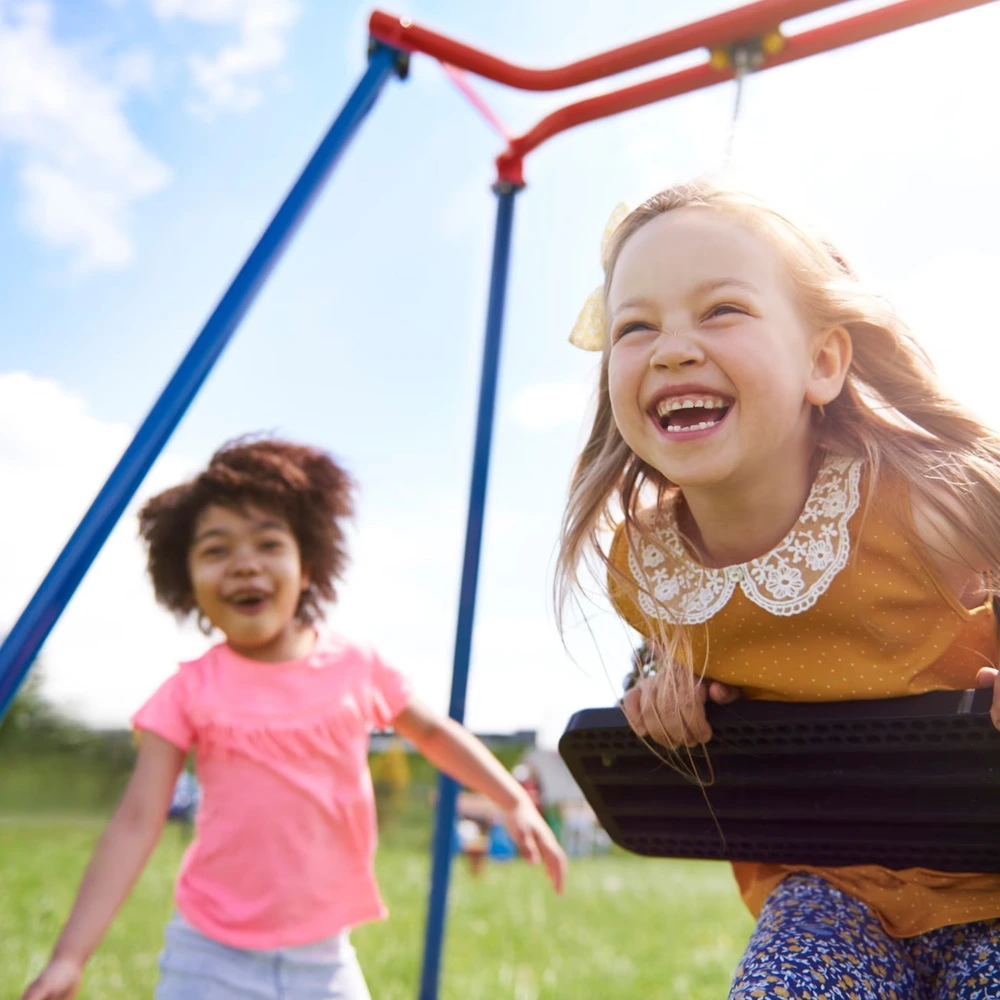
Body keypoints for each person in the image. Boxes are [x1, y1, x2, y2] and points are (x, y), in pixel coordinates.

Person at [556, 181, 1000, 999]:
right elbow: (685, 660)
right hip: (830, 887)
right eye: (636, 326)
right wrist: (663, 697)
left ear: (823, 361)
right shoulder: (646, 569)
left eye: (721, 310)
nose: (672, 348)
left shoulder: (926, 501)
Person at [23, 437, 565, 1000]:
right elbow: (136, 821)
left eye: (268, 543)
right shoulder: (187, 691)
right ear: (186, 579)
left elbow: (433, 733)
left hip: (323, 958)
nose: (245, 564)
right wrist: (69, 957)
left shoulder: (355, 666)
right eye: (216, 550)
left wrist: (512, 799)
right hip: (206, 956)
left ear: (307, 566)